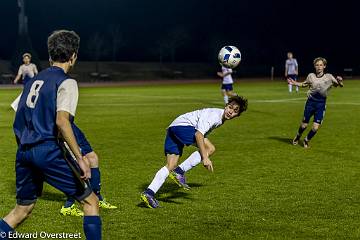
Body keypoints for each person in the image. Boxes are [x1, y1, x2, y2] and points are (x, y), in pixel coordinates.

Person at [0, 30, 102, 240]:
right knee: (91, 202)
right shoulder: (67, 82)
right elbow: (62, 121)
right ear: (73, 56)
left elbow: (18, 117)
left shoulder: (32, 82)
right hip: (48, 150)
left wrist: (25, 147)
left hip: (24, 152)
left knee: (21, 210)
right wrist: (80, 158)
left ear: (49, 56)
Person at [140, 95, 248, 208]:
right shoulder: (215, 116)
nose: (231, 112)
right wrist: (205, 158)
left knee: (171, 165)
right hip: (183, 127)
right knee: (209, 149)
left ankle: (149, 193)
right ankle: (179, 172)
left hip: (175, 127)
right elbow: (199, 134)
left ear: (237, 115)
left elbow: (202, 134)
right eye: (230, 107)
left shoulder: (219, 118)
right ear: (226, 106)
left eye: (235, 111)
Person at [60, 123, 117, 217]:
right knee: (81, 163)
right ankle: (68, 206)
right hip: (64, 128)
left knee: (93, 158)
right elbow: (58, 118)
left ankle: (97, 198)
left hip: (71, 126)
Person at [288, 57, 343, 148]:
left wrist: (340, 81)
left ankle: (306, 140)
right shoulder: (311, 76)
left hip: (321, 105)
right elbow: (304, 84)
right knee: (304, 125)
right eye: (317, 65)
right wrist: (294, 83)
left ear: (324, 66)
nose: (319, 67)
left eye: (321, 65)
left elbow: (339, 85)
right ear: (314, 66)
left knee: (315, 127)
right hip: (310, 103)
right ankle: (298, 136)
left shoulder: (329, 77)